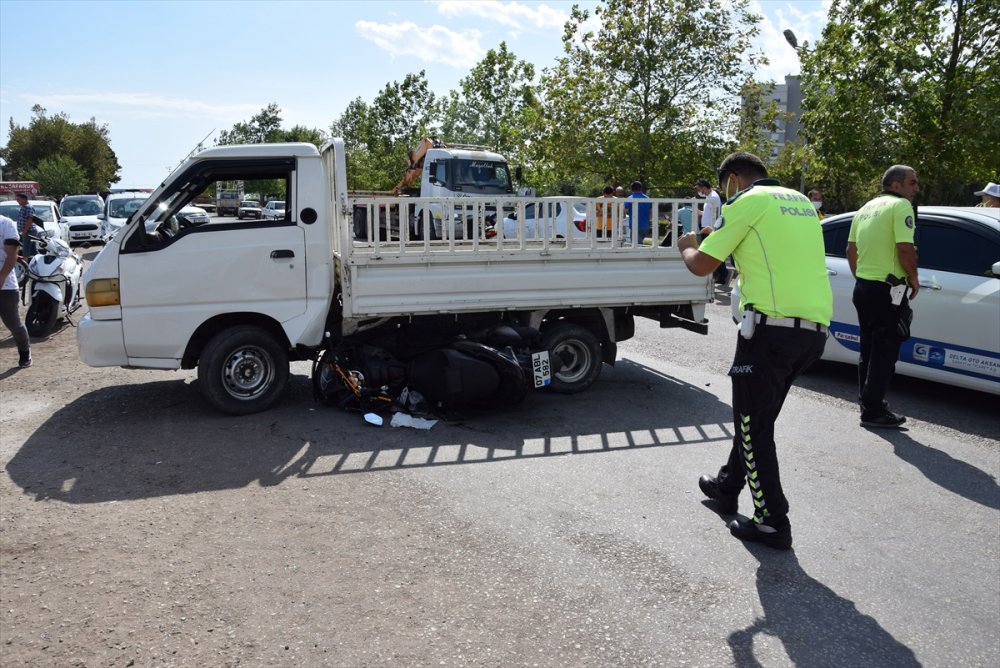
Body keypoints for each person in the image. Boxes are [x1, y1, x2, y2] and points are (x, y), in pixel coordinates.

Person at [677, 151, 831, 550]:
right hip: (811, 332)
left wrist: (687, 245)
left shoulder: (746, 202)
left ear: (732, 179)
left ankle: (771, 521)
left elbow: (701, 265)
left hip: (769, 332)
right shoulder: (801, 202)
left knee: (753, 425)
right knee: (754, 418)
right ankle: (727, 486)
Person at [848, 165, 920, 429]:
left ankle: (867, 404)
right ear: (896, 185)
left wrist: (862, 277)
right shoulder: (901, 206)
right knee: (885, 351)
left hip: (864, 287)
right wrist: (913, 278)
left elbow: (851, 249)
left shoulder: (866, 208)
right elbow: (905, 248)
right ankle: (874, 410)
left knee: (868, 350)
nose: (916, 189)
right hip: (888, 290)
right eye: (912, 183)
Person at [1, 214, 32, 368]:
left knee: (13, 323)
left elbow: (12, 253)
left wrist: (2, 276)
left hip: (5, 285)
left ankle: (25, 352)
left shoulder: (6, 224)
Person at [14, 193, 40, 257]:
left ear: (24, 199)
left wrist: (25, 231)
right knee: (32, 249)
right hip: (27, 231)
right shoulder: (24, 207)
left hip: (29, 231)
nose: (17, 201)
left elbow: (30, 219)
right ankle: (38, 260)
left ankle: (25, 263)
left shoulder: (28, 207)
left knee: (26, 249)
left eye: (18, 199)